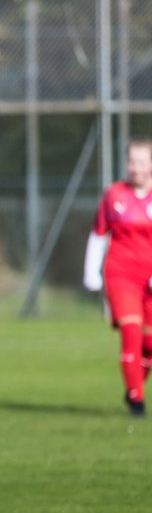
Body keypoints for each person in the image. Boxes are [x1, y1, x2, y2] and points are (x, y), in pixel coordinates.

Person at [83, 137, 152, 418]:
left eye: (142, 162)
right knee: (131, 331)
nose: (136, 168)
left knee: (149, 345)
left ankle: (134, 384)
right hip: (121, 273)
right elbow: (99, 234)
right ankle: (136, 400)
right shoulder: (114, 195)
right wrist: (91, 271)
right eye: (132, 161)